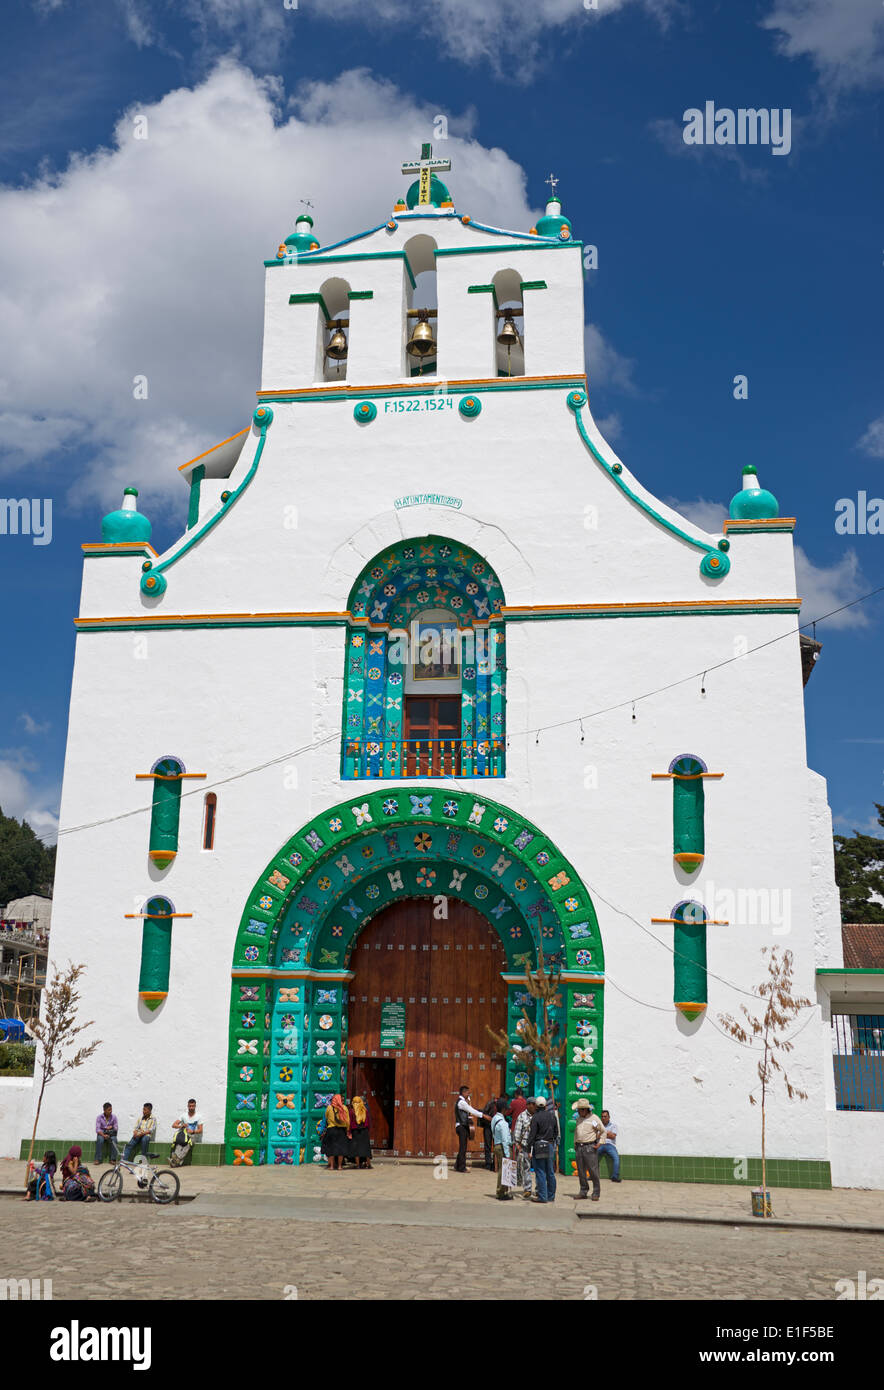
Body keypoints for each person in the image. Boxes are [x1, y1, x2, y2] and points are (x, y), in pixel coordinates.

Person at [527, 1095, 559, 1203]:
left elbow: (532, 1134)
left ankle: (542, 1196)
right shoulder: (552, 1116)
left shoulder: (535, 1117)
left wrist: (528, 1148)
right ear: (545, 1106)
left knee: (540, 1172)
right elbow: (556, 1132)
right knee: (550, 1172)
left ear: (536, 1106)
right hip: (549, 1145)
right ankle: (551, 1196)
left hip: (538, 1145)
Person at [573, 1099, 605, 1201]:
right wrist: (575, 1144)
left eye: (580, 1109)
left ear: (585, 1109)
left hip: (590, 1147)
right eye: (578, 1109)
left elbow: (603, 1131)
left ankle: (596, 1192)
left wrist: (599, 1143)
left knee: (593, 1171)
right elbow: (576, 1133)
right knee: (581, 1171)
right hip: (579, 1147)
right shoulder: (578, 1119)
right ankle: (583, 1191)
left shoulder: (594, 1119)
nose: (578, 1111)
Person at [454, 1085, 484, 1173]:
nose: (468, 1094)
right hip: (461, 1126)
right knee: (463, 1147)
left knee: (463, 1146)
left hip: (463, 1126)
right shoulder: (462, 1103)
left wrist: (469, 1100)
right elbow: (471, 1110)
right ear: (463, 1093)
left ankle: (457, 1165)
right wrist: (483, 1115)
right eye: (467, 1092)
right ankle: (462, 1167)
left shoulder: (464, 1101)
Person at [490, 1098, 514, 1200]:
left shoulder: (494, 1118)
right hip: (502, 1147)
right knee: (504, 1170)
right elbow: (505, 1140)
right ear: (503, 1109)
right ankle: (501, 1192)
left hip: (497, 1145)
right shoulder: (503, 1123)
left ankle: (502, 1191)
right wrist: (508, 1155)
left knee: (502, 1169)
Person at [513, 1097, 535, 1200]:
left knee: (538, 1169)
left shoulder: (537, 1116)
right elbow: (517, 1131)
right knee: (526, 1168)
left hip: (536, 1147)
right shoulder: (522, 1116)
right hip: (525, 1146)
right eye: (533, 1105)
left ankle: (539, 1189)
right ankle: (527, 1189)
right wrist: (517, 1144)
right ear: (529, 1105)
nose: (535, 1107)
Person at [170, 1099, 203, 1167]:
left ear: (195, 1106)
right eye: (190, 1106)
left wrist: (193, 1131)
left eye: (193, 1106)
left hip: (192, 1136)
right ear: (187, 1106)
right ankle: (176, 1162)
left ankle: (175, 1160)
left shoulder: (198, 1117)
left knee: (188, 1144)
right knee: (179, 1144)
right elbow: (173, 1125)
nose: (191, 1108)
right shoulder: (183, 1116)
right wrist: (181, 1125)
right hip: (183, 1135)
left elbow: (200, 1130)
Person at [323, 1094, 351, 1171]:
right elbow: (348, 1121)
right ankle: (339, 1166)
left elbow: (326, 1117)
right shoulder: (344, 1108)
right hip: (341, 1131)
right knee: (340, 1150)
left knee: (331, 1149)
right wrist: (348, 1130)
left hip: (331, 1130)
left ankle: (331, 1166)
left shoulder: (329, 1107)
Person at [348, 1094, 372, 1169]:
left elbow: (350, 1122)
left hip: (355, 1132)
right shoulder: (365, 1110)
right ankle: (368, 1164)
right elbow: (368, 1122)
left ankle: (358, 1165)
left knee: (356, 1149)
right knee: (366, 1148)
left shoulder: (351, 1111)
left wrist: (349, 1131)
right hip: (364, 1131)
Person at [598, 1109, 621, 1182]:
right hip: (600, 1144)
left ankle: (615, 1176)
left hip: (610, 1145)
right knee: (592, 1157)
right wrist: (607, 1133)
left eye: (605, 1116)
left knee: (616, 1158)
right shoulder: (599, 1126)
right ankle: (593, 1176)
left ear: (609, 1117)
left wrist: (603, 1134)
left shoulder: (613, 1126)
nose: (603, 1118)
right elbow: (596, 1136)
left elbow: (613, 1136)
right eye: (602, 1116)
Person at [479, 1096, 496, 1171]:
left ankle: (492, 1163)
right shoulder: (490, 1104)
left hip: (492, 1127)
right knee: (489, 1145)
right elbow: (484, 1113)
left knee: (492, 1145)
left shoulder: (495, 1104)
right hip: (488, 1126)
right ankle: (489, 1163)